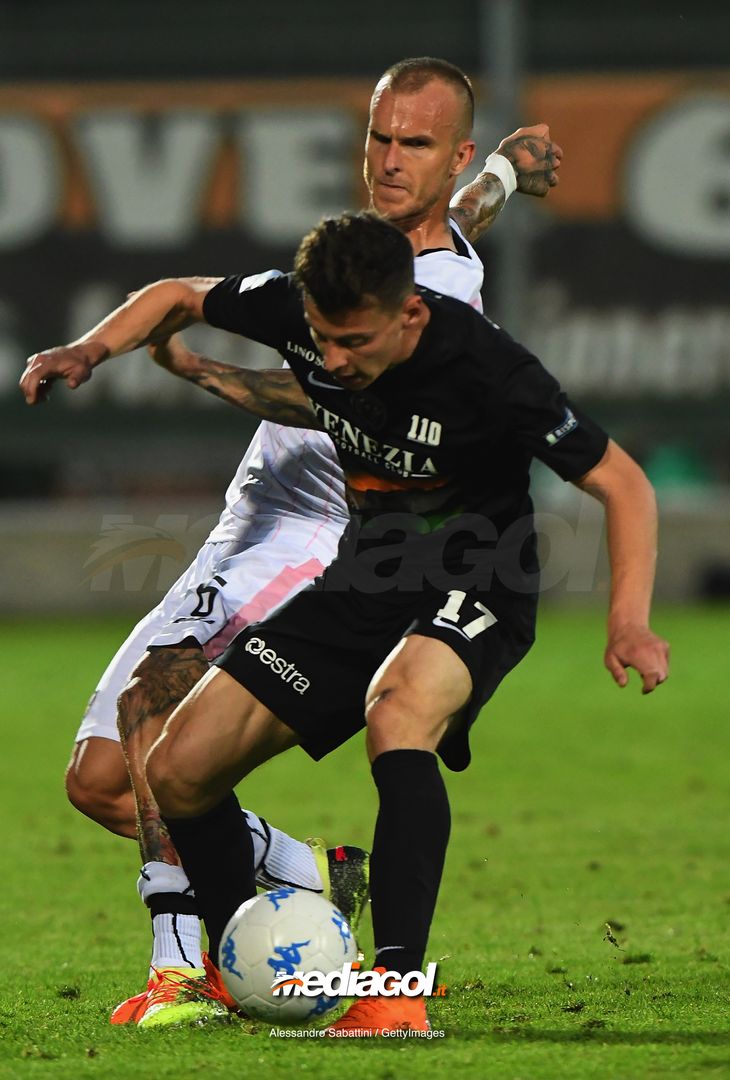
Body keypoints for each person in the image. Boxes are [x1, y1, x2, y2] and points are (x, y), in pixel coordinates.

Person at [21, 58, 562, 1026]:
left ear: (449, 153)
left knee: (149, 723)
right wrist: (507, 176)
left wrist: (202, 372)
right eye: (379, 138)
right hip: (245, 525)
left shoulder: (434, 309)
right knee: (100, 781)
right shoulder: (388, 249)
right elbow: (459, 215)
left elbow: (321, 398)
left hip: (319, 538)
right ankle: (309, 872)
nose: (387, 161)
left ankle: (184, 967)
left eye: (413, 144)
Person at [135, 209, 668, 1034]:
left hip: (481, 583)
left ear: (408, 313)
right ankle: (241, 969)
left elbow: (622, 482)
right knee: (178, 768)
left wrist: (628, 622)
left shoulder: (489, 368)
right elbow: (175, 294)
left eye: (353, 341)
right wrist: (94, 352)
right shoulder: (300, 312)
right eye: (323, 339)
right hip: (363, 583)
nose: (333, 360)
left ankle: (396, 993)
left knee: (398, 713)